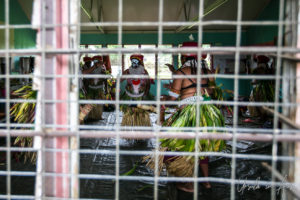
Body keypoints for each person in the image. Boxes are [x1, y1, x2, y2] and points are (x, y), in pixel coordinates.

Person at [144, 41, 225, 195]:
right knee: (201, 148)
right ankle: (206, 182)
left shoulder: (182, 72)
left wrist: (163, 100)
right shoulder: (207, 71)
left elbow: (173, 99)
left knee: (175, 145)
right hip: (207, 115)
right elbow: (210, 93)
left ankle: (189, 185)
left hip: (189, 115)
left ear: (184, 56)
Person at [120, 54, 152, 127]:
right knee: (129, 111)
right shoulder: (127, 71)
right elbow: (120, 80)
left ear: (140, 62)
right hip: (129, 95)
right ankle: (129, 125)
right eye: (132, 61)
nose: (133, 63)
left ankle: (140, 126)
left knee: (141, 111)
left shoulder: (144, 72)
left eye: (136, 61)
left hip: (141, 96)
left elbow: (148, 84)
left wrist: (146, 93)